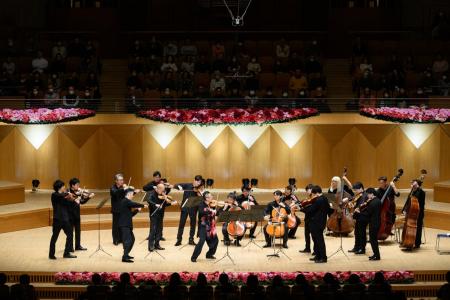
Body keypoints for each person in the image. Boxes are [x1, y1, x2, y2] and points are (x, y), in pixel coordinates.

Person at [49, 179, 76, 259]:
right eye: (63, 186)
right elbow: (60, 196)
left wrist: (72, 199)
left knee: (70, 235)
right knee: (54, 237)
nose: (65, 187)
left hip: (65, 219)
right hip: (57, 220)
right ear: (59, 187)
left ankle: (66, 253)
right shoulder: (54, 195)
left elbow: (70, 203)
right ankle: (51, 254)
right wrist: (68, 194)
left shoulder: (65, 196)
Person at [173, 175, 204, 246]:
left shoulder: (199, 188)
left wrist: (200, 192)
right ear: (194, 180)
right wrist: (179, 187)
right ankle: (179, 240)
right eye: (197, 181)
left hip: (193, 209)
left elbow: (202, 197)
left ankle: (191, 239)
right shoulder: (187, 185)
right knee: (181, 224)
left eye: (199, 182)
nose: (198, 183)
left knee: (193, 225)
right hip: (185, 208)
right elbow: (176, 185)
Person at [142, 171, 172, 241]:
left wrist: (168, 186)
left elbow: (167, 192)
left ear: (160, 177)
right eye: (156, 177)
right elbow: (144, 188)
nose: (157, 178)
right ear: (153, 177)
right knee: (152, 221)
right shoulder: (151, 183)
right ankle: (151, 235)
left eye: (158, 177)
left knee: (160, 220)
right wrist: (153, 186)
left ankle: (160, 235)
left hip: (161, 204)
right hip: (153, 204)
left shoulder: (163, 183)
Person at [119, 187, 146, 263]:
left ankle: (126, 254)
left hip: (127, 224)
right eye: (132, 194)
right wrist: (142, 205)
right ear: (129, 194)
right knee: (128, 241)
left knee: (132, 240)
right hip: (124, 225)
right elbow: (133, 204)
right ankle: (124, 257)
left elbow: (130, 214)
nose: (133, 196)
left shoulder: (127, 202)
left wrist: (137, 210)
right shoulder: (125, 201)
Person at [353, 188, 381, 260]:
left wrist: (359, 212)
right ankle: (376, 254)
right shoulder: (377, 200)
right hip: (375, 222)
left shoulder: (373, 202)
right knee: (373, 240)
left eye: (368, 194)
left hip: (374, 223)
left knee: (373, 240)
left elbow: (368, 213)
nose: (367, 196)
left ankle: (377, 256)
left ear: (371, 193)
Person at [146, 184, 176, 252]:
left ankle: (157, 244)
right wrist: (155, 204)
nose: (163, 192)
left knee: (159, 230)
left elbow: (164, 204)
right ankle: (151, 246)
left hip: (160, 215)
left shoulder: (162, 195)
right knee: (153, 230)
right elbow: (148, 200)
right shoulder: (152, 193)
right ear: (158, 189)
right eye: (162, 191)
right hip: (154, 215)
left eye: (164, 191)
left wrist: (171, 203)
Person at [67, 178, 94, 252]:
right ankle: (70, 247)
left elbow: (81, 202)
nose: (79, 187)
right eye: (77, 185)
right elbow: (71, 201)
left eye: (79, 185)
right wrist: (76, 196)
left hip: (77, 214)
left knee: (78, 231)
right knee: (70, 232)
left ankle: (78, 246)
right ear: (72, 185)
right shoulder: (68, 192)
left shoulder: (79, 192)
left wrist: (88, 197)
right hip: (70, 215)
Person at [191, 191, 219, 262]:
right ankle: (193, 257)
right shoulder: (201, 204)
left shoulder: (212, 204)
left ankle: (209, 254)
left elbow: (216, 213)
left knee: (215, 241)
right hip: (203, 226)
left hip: (211, 226)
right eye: (210, 196)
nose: (212, 197)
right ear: (206, 198)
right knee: (201, 241)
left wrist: (223, 208)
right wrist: (210, 210)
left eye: (211, 196)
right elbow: (202, 212)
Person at [303, 185, 328, 263]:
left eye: (313, 194)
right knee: (317, 240)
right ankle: (318, 255)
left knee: (319, 241)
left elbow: (310, 210)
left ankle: (323, 257)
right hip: (321, 222)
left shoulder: (318, 200)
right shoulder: (324, 198)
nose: (312, 196)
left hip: (317, 223)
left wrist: (301, 209)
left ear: (316, 193)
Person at [402, 178, 426, 249]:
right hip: (411, 212)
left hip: (418, 213)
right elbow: (408, 201)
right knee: (409, 226)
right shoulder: (412, 190)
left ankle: (417, 243)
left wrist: (416, 188)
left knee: (418, 228)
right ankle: (408, 240)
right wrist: (404, 209)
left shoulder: (421, 192)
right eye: (412, 183)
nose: (412, 183)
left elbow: (416, 199)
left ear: (417, 183)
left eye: (413, 182)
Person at [348, 182, 367, 254]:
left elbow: (361, 206)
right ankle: (356, 247)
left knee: (362, 233)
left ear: (361, 188)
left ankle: (362, 249)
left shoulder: (364, 195)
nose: (355, 192)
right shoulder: (358, 195)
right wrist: (351, 204)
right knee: (357, 233)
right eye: (354, 190)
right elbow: (354, 203)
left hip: (362, 217)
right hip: (358, 217)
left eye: (356, 190)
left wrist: (355, 207)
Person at [110, 174, 126, 245]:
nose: (122, 181)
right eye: (120, 180)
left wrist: (134, 192)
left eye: (122, 180)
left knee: (122, 224)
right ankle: (115, 239)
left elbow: (127, 195)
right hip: (116, 209)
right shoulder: (112, 187)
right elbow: (116, 193)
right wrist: (123, 189)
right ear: (116, 181)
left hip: (123, 208)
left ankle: (121, 239)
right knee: (115, 225)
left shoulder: (123, 187)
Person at [299, 184, 314, 253]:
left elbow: (310, 209)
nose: (307, 192)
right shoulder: (309, 198)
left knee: (314, 236)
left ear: (311, 189)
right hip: (307, 218)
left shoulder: (314, 199)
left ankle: (315, 250)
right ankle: (307, 248)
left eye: (308, 190)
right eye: (306, 190)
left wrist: (300, 209)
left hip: (313, 219)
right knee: (306, 234)